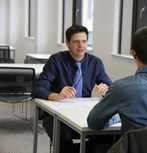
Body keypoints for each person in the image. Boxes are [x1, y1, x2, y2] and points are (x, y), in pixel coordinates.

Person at [32, 25, 113, 153]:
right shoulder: (56, 60)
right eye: (76, 42)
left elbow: (111, 88)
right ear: (68, 43)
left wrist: (107, 90)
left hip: (83, 113)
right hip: (55, 115)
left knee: (111, 135)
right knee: (64, 136)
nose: (81, 46)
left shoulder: (95, 63)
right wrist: (56, 96)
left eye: (84, 41)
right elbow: (37, 89)